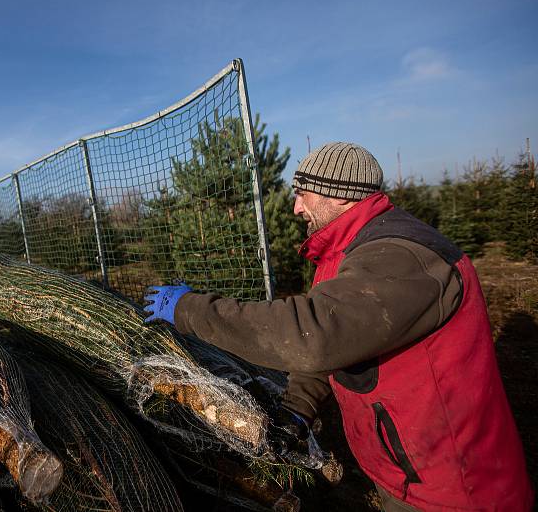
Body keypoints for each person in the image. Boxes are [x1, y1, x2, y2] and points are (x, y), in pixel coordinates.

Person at [143, 142, 533, 511]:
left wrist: (190, 310)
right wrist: (298, 408)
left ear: (340, 195)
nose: (295, 207)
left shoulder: (398, 256)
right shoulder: (344, 252)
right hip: (407, 469)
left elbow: (313, 336)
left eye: (303, 193)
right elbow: (338, 344)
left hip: (454, 487)